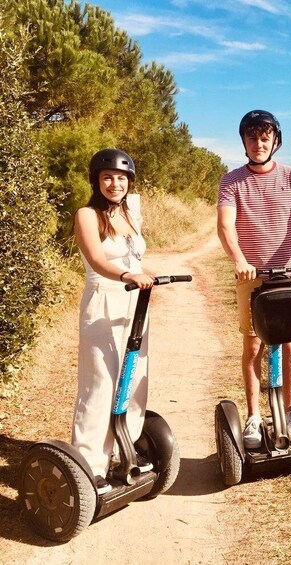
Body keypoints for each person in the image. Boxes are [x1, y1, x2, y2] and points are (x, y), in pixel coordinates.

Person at [217, 109, 291, 447]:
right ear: (244, 142)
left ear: (275, 141)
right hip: (252, 275)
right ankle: (252, 416)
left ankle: (290, 412)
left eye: (265, 138)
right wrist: (239, 260)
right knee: (253, 345)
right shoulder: (231, 181)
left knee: (289, 343)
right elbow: (225, 226)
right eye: (252, 137)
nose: (258, 143)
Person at [71, 148, 155, 494]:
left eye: (121, 178)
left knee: (133, 380)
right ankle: (90, 465)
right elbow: (96, 258)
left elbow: (136, 256)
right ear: (97, 180)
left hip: (134, 303)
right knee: (100, 383)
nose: (115, 183)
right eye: (107, 177)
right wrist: (126, 275)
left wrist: (142, 276)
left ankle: (126, 450)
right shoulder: (87, 215)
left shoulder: (130, 213)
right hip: (104, 300)